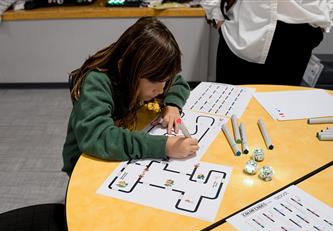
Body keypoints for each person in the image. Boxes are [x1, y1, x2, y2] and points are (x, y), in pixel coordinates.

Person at [62, 17, 199, 176]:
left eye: (165, 80)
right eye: (155, 80)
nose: (161, 89)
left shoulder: (149, 77)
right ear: (125, 68)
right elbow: (97, 137)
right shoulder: (97, 81)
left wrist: (172, 106)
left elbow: (178, 82)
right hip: (87, 161)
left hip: (122, 149)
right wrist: (164, 146)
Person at [201, 0, 333, 85]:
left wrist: (327, 13)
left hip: (299, 30)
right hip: (242, 29)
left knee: (283, 110)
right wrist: (215, 14)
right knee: (230, 106)